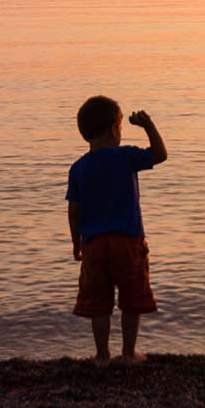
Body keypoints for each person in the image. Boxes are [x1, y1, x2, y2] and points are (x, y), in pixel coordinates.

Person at [66, 95, 167, 365]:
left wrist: (77, 243)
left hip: (94, 244)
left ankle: (101, 356)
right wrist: (147, 125)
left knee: (99, 304)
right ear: (115, 129)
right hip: (128, 242)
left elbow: (73, 211)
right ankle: (128, 353)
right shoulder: (126, 157)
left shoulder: (78, 168)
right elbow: (160, 154)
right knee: (132, 300)